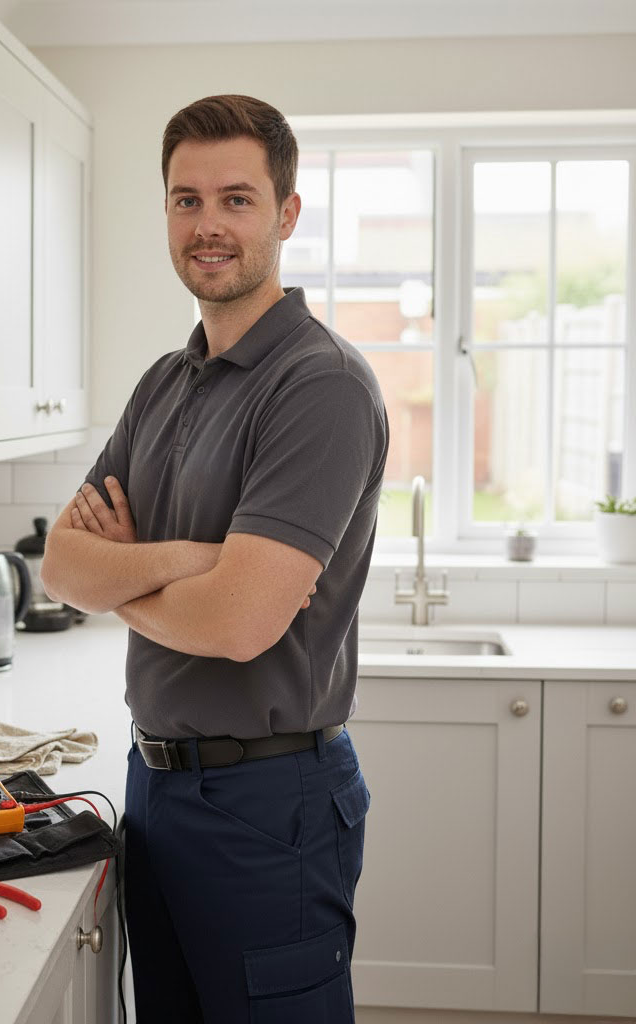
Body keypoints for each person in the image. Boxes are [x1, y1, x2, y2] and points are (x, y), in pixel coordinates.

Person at [40, 94, 389, 1023]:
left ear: (285, 213)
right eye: (186, 200)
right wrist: (193, 563)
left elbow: (239, 623)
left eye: (236, 199)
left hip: (267, 803)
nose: (208, 225)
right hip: (152, 786)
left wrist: (130, 582)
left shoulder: (321, 386)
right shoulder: (165, 382)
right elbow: (60, 564)